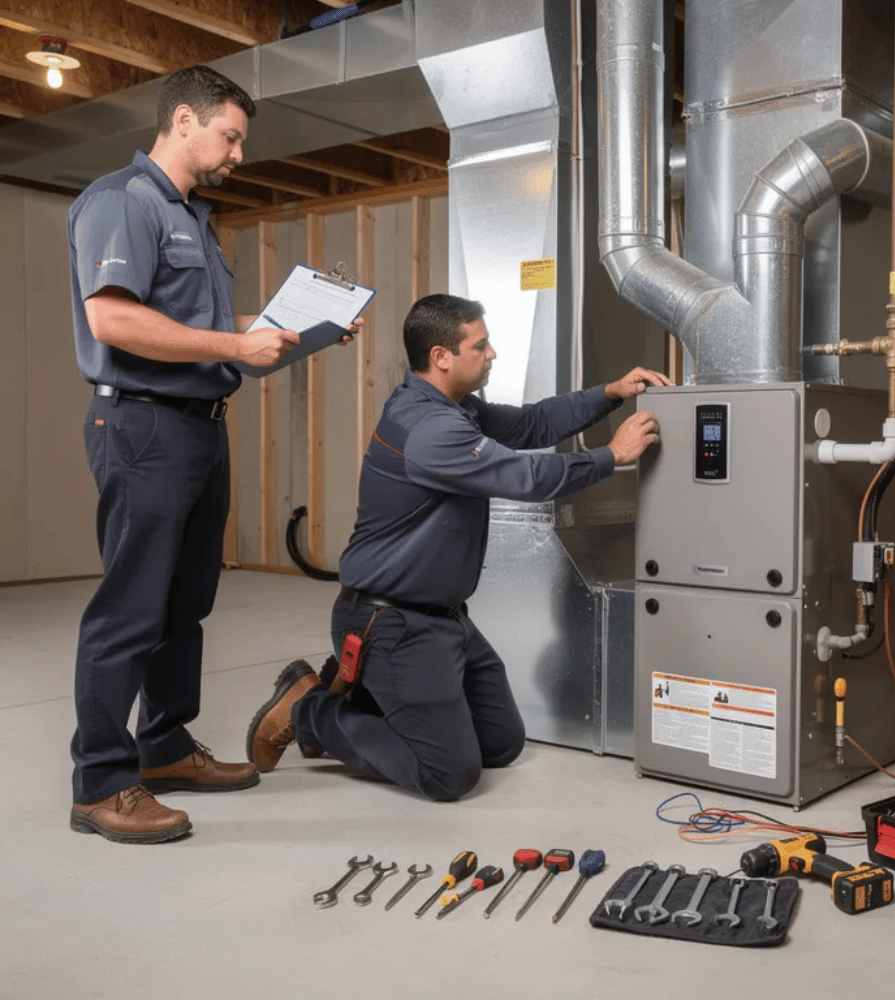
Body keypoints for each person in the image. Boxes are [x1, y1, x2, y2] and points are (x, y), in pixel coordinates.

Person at [66, 65, 357, 844]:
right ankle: (99, 782)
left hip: (198, 423)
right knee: (130, 610)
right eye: (230, 136)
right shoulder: (122, 204)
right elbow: (114, 322)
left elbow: (219, 337)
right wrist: (235, 340)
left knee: (184, 605)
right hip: (143, 426)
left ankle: (161, 748)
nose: (237, 153)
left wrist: (305, 328)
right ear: (184, 121)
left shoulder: (196, 220)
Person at [245, 294, 667, 801]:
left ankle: (368, 694)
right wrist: (611, 456)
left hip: (443, 618)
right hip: (391, 622)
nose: (492, 354)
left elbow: (531, 424)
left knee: (501, 743)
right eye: (480, 345)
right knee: (448, 774)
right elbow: (525, 475)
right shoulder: (431, 430)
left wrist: (608, 393)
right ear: (441, 356)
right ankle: (310, 709)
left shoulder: (454, 408)